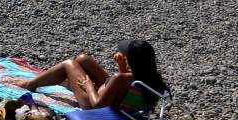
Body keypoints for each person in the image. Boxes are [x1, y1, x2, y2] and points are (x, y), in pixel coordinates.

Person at [21, 40, 170, 110]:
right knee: (82, 59)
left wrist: (88, 87)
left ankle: (30, 85)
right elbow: (127, 89)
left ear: (132, 61)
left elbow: (98, 105)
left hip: (92, 103)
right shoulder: (150, 76)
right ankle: (65, 80)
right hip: (115, 98)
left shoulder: (120, 78)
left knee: (68, 64)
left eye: (125, 55)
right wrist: (122, 66)